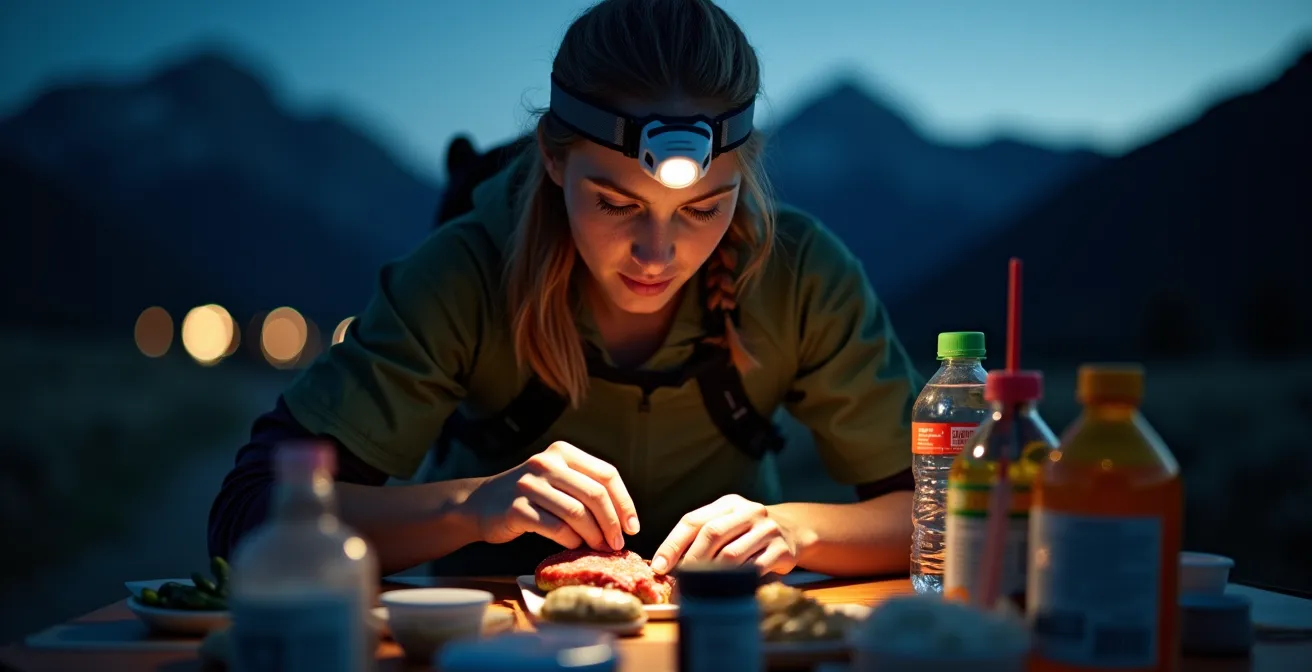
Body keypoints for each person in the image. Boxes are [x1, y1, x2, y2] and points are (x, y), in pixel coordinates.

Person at [208, 0, 922, 580]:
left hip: (723, 635)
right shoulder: (466, 273)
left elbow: (949, 515)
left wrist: (796, 529)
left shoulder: (799, 276)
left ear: (745, 173)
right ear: (552, 157)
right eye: (615, 203)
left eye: (705, 208)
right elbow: (250, 516)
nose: (657, 253)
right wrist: (474, 507)